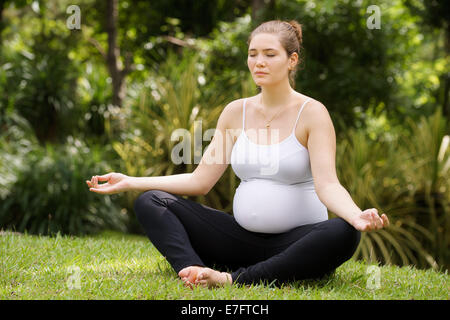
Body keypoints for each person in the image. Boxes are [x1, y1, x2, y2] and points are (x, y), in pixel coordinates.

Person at [86, 20, 390, 289]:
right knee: (151, 201)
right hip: (239, 241)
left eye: (270, 54)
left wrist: (354, 215)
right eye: (253, 54)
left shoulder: (312, 114)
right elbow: (201, 180)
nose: (259, 62)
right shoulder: (235, 112)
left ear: (292, 60)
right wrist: (130, 181)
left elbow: (328, 185)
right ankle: (192, 272)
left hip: (296, 244)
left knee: (343, 232)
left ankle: (231, 279)